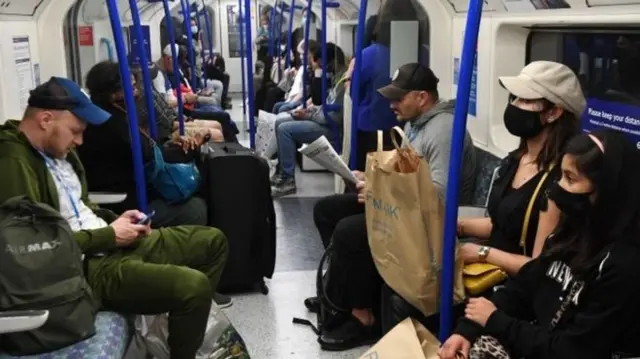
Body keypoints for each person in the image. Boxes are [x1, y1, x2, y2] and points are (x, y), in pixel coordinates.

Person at [0, 76, 229, 358]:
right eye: (75, 131)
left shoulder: (58, 152)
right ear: (46, 119)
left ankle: (176, 332)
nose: (79, 140)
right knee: (192, 287)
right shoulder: (12, 163)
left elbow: (80, 208)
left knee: (212, 241)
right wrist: (109, 235)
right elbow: (36, 249)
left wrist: (116, 220)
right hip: (81, 269)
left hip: (106, 241)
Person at [310, 63, 477, 351]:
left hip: (430, 223)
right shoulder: (415, 123)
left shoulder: (443, 130)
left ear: (422, 98)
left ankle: (362, 316)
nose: (391, 104)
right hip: (406, 211)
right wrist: (371, 180)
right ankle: (339, 290)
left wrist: (381, 194)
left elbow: (438, 194)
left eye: (399, 98)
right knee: (327, 209)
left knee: (350, 231)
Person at [439, 130, 640, 359]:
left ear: (605, 191)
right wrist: (467, 330)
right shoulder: (570, 232)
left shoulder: (623, 264)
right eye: (560, 176)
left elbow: (574, 349)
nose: (558, 188)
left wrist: (496, 321)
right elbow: (526, 286)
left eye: (570, 179)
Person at [457, 61, 584, 281]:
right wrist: (457, 226)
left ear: (553, 112)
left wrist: (482, 253)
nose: (514, 105)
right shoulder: (516, 160)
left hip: (517, 287)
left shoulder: (560, 179)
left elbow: (539, 267)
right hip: (491, 270)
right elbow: (504, 225)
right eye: (514, 98)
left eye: (525, 100)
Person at [270, 44, 348, 197]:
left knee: (285, 129)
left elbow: (334, 117)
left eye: (322, 65)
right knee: (280, 122)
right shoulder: (336, 78)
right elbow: (324, 106)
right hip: (324, 120)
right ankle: (282, 170)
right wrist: (309, 110)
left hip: (333, 129)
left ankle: (288, 180)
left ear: (330, 62)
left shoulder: (343, 83)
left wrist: (308, 115)